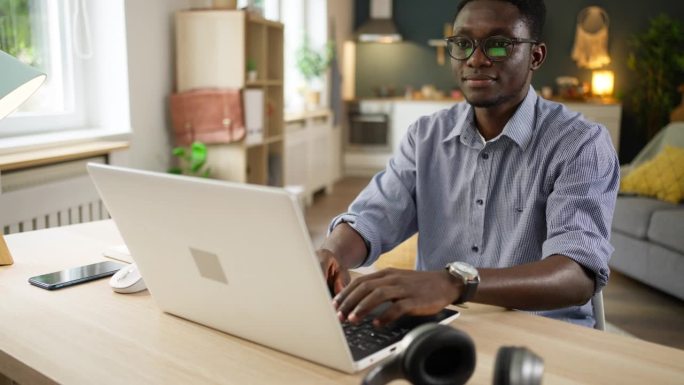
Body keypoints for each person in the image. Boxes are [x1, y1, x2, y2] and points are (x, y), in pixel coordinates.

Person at [316, 0, 620, 328]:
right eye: (462, 44)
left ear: (536, 56)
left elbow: (576, 276)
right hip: (441, 329)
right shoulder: (426, 136)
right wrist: (333, 254)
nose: (476, 58)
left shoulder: (580, 144)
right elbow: (372, 217)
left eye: (499, 46)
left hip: (541, 334)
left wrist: (455, 283)